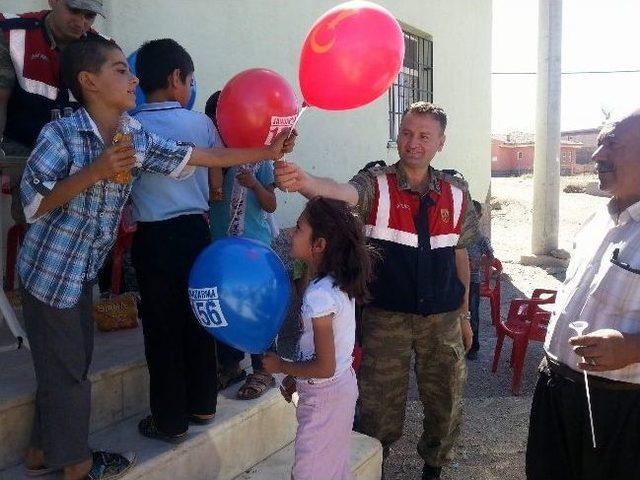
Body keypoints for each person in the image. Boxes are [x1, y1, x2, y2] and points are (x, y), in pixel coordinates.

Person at [18, 37, 294, 480]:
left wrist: (267, 151)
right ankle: (76, 466)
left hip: (79, 275)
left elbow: (199, 156)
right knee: (69, 373)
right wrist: (96, 171)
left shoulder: (132, 134)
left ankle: (39, 452)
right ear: (89, 82)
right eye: (120, 70)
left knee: (66, 366)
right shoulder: (62, 135)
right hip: (49, 277)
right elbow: (29, 206)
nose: (133, 78)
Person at [275, 101, 479, 480]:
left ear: (441, 143)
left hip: (444, 320)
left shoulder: (456, 194)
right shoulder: (376, 184)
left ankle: (434, 467)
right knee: (378, 407)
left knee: (446, 402)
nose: (413, 143)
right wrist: (306, 182)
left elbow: (460, 257)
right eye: (406, 133)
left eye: (423, 136)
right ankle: (374, 464)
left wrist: (465, 315)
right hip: (387, 320)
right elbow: (341, 193)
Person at [526, 110, 640, 480]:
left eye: (612, 144)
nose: (595, 156)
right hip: (555, 388)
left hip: (620, 406)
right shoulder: (598, 219)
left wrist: (632, 347)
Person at [128, 39, 224, 443]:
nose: (191, 86)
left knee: (162, 329)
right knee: (200, 319)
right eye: (190, 79)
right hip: (196, 234)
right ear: (175, 79)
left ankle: (169, 420)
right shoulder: (201, 124)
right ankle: (203, 405)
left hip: (153, 239)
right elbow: (216, 184)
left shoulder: (130, 126)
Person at [262, 196, 374, 480]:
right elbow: (326, 360)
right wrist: (295, 378)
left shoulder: (319, 295)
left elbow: (323, 367)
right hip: (338, 389)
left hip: (325, 396)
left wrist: (281, 367)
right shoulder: (334, 284)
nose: (291, 233)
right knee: (332, 468)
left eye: (299, 229)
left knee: (309, 472)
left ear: (319, 245)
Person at [0, 0, 109, 223]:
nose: (81, 22)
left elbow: (108, 113)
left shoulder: (102, 49)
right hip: (23, 150)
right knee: (37, 215)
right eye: (74, 11)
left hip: (80, 156)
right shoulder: (12, 33)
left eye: (89, 16)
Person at [206, 91, 279, 399]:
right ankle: (230, 365)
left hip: (254, 248)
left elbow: (271, 203)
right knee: (223, 305)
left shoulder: (258, 156)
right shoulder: (208, 156)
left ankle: (263, 369)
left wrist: (256, 184)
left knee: (257, 306)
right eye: (215, 123)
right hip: (221, 248)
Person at [466, 200, 494, 360]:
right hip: (455, 281)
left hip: (473, 282)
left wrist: (477, 263)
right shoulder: (455, 236)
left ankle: (473, 347)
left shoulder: (481, 239)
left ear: (479, 217)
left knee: (473, 314)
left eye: (473, 216)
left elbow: (491, 258)